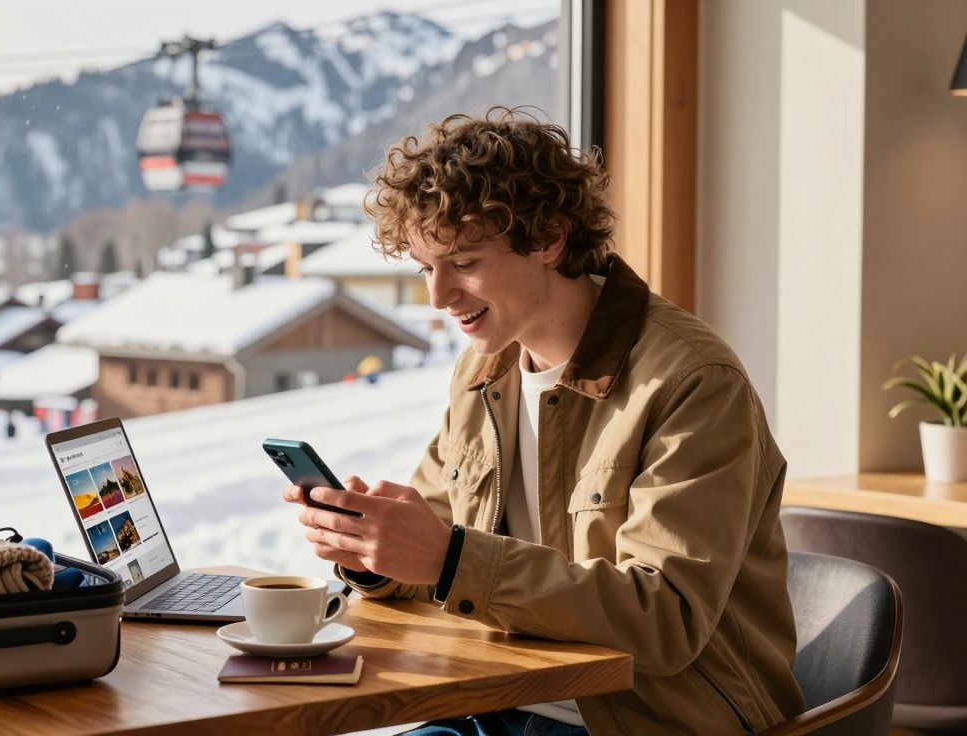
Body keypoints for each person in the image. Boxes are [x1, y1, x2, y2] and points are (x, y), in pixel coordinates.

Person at [283, 108, 806, 735]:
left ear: (549, 239)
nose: (438, 296)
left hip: (643, 720)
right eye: (427, 268)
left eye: (465, 262)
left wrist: (449, 559)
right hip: (493, 702)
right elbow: (441, 551)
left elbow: (666, 619)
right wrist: (377, 556)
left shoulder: (692, 383)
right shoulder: (484, 375)